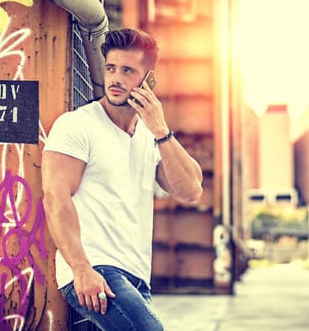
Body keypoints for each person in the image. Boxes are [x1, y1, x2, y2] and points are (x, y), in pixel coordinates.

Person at [41, 28, 203, 330]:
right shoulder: (78, 125)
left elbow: (191, 190)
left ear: (148, 80)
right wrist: (81, 269)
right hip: (94, 271)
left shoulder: (150, 136)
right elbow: (55, 199)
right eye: (111, 68)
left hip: (137, 277)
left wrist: (160, 130)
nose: (115, 79)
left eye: (127, 71)